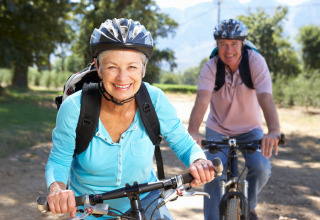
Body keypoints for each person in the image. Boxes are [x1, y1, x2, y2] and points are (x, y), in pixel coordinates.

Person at [45, 18, 216, 220]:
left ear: (143, 69)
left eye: (132, 67)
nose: (122, 78)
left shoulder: (155, 99)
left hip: (146, 198)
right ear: (98, 67)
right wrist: (56, 189)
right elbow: (59, 158)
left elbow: (184, 143)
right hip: (90, 207)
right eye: (112, 67)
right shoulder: (75, 107)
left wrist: (198, 161)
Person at [188, 18, 281, 220]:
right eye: (223, 44)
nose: (228, 50)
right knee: (212, 171)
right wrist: (193, 132)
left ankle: (250, 205)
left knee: (261, 167)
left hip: (250, 129)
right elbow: (201, 101)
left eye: (234, 44)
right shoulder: (211, 67)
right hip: (218, 130)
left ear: (243, 44)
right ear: (217, 45)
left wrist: (273, 130)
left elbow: (265, 98)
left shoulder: (256, 62)